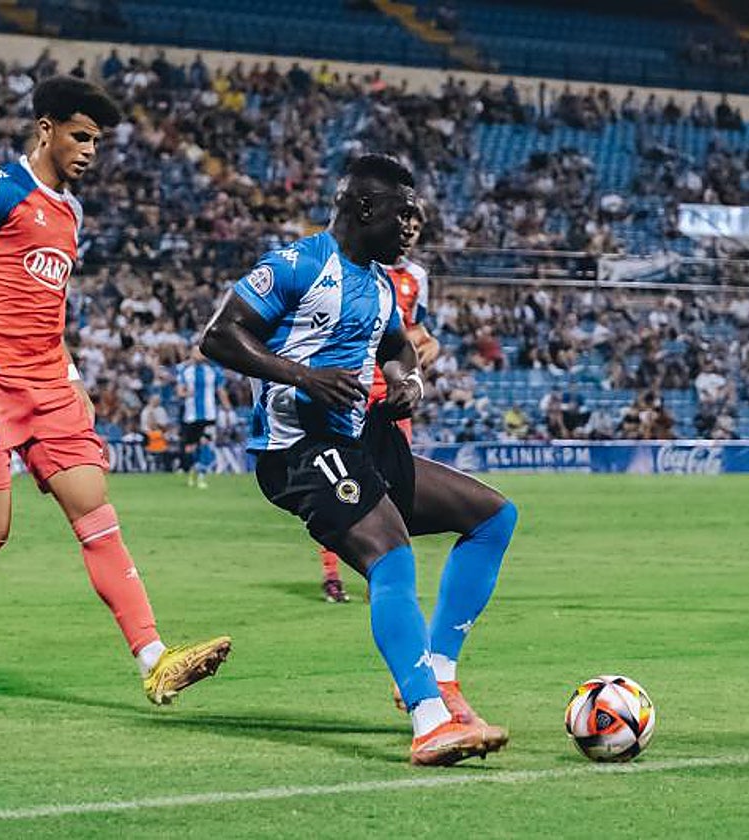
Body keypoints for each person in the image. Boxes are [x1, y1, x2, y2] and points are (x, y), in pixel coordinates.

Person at [0, 76, 231, 704]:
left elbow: (47, 305)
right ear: (46, 130)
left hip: (47, 382)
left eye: (97, 140)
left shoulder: (72, 212)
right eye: (80, 136)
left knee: (96, 512)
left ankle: (154, 657)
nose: (90, 149)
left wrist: (73, 376)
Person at [201, 154, 518, 766]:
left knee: (492, 518)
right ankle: (430, 722)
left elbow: (397, 344)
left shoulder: (377, 285)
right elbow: (219, 334)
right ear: (365, 208)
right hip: (298, 447)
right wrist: (303, 376)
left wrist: (406, 378)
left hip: (363, 440)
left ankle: (437, 678)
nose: (414, 225)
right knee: (391, 558)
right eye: (405, 213)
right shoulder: (297, 264)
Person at [317, 206, 439, 604]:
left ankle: (383, 570)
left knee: (394, 483)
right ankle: (333, 575)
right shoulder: (355, 266)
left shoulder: (416, 278)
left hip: (390, 395)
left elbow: (414, 332)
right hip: (351, 389)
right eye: (405, 223)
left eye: (417, 228)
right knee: (342, 486)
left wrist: (425, 354)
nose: (410, 232)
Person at [175, 346, 228, 489]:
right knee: (190, 448)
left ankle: (202, 475)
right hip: (190, 416)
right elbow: (179, 392)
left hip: (209, 415)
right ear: (191, 354)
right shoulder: (184, 371)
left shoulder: (214, 371)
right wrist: (186, 394)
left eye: (200, 351)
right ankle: (193, 471)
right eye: (195, 351)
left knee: (205, 443)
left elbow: (220, 390)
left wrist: (227, 408)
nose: (198, 354)